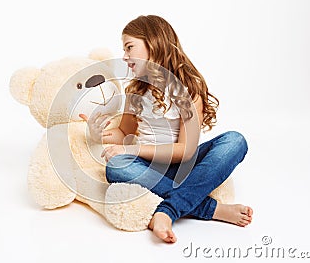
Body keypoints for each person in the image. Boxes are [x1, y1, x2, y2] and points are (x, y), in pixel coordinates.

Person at [80, 15, 253, 243]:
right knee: (115, 167)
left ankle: (167, 211)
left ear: (153, 44)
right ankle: (211, 209)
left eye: (130, 47)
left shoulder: (189, 90)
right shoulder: (136, 91)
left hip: (183, 167)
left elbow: (187, 151)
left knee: (235, 141)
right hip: (147, 168)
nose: (125, 56)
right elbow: (122, 134)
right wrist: (97, 132)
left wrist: (133, 150)